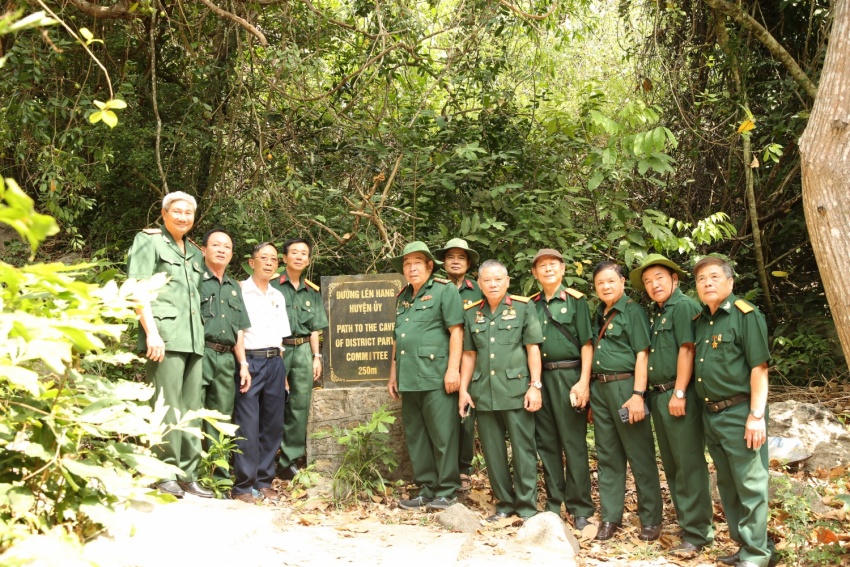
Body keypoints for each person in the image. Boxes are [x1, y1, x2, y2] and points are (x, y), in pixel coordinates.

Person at [126, 191, 212, 498]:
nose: (183, 217)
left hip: (193, 338)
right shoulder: (148, 241)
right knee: (165, 406)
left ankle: (188, 474)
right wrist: (151, 332)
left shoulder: (195, 252)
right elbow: (138, 289)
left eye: (188, 212)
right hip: (165, 336)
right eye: (177, 211)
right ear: (164, 214)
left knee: (191, 407)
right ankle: (163, 474)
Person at [631, 254, 714, 555]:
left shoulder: (683, 306)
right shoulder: (659, 311)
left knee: (689, 464)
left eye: (660, 278)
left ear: (675, 280)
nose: (654, 285)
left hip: (679, 396)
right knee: (673, 465)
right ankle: (687, 522)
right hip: (660, 395)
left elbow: (687, 350)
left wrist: (679, 392)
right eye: (649, 282)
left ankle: (698, 533)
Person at [693, 256, 772, 567]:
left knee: (751, 484)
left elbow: (759, 368)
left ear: (730, 282)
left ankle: (757, 554)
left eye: (714, 277)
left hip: (740, 412)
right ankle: (744, 546)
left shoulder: (745, 315)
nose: (708, 283)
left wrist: (756, 416)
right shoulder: (701, 321)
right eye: (701, 279)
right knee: (728, 483)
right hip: (711, 414)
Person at [458, 259, 543, 522]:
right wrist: (463, 390)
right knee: (494, 453)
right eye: (487, 280)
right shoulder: (472, 312)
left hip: (517, 391)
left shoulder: (522, 307)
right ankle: (505, 503)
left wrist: (535, 386)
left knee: (524, 451)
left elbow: (533, 349)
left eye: (498, 279)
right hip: (484, 393)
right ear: (479, 284)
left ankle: (527, 507)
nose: (493, 284)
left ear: (507, 282)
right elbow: (469, 354)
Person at [387, 241, 464, 511]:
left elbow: (456, 331)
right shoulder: (403, 297)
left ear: (430, 266)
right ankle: (427, 488)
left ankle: (447, 490)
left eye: (417, 262)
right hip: (409, 377)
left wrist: (453, 369)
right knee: (417, 435)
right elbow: (398, 338)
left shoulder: (445, 291)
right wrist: (393, 373)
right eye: (407, 264)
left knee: (443, 435)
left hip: (436, 375)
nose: (411, 268)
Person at [590, 261, 662, 541]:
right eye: (600, 283)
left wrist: (637, 395)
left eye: (611, 281)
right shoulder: (599, 312)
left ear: (622, 282)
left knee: (640, 454)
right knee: (607, 455)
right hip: (601, 390)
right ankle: (610, 517)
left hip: (626, 389)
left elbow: (642, 354)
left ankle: (651, 519)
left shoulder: (632, 311)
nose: (606, 286)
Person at [529, 249, 594, 530]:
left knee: (574, 444)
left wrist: (584, 381)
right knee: (547, 444)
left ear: (563, 268)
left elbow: (587, 344)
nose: (547, 269)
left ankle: (580, 507)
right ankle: (554, 503)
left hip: (570, 377)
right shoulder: (530, 305)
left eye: (552, 264)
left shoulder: (577, 302)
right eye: (541, 266)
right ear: (534, 273)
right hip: (542, 379)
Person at [232, 242, 291, 503]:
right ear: (251, 261)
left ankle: (264, 480)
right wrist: (243, 364)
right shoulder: (240, 291)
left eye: (274, 259)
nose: (269, 263)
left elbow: (281, 338)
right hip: (251, 362)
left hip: (275, 362)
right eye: (263, 258)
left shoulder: (278, 296)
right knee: (247, 423)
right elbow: (238, 332)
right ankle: (243, 485)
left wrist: (283, 372)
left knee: (273, 424)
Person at [272, 239, 328, 480]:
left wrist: (317, 357)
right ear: (284, 258)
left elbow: (314, 327)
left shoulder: (311, 291)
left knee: (299, 404)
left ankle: (288, 461)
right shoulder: (272, 286)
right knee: (271, 403)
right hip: (277, 349)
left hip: (304, 349)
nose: (298, 257)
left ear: (308, 260)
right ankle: (265, 458)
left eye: (303, 253)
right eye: (294, 252)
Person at [199, 228, 252, 480]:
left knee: (221, 418)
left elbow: (239, 329)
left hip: (226, 358)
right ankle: (192, 474)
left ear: (232, 254)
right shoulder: (194, 279)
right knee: (193, 412)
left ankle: (217, 476)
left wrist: (242, 363)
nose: (221, 250)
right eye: (216, 245)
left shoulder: (234, 287)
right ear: (204, 249)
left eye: (227, 247)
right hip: (200, 354)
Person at [433, 237, 483, 491]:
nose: (455, 261)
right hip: (438, 360)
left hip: (470, 360)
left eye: (460, 257)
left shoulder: (478, 290)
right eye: (450, 257)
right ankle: (442, 468)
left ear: (468, 263)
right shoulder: (435, 288)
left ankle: (463, 468)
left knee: (465, 415)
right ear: (443, 262)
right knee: (440, 417)